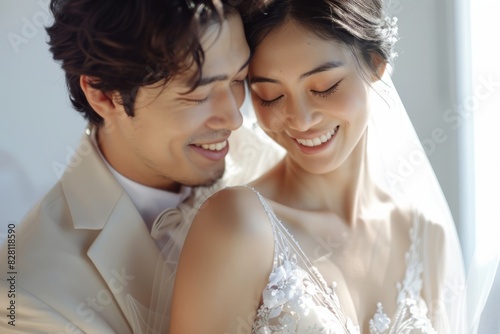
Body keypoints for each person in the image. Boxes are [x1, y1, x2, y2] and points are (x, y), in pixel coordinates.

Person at [170, 0, 467, 333]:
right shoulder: (236, 225)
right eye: (269, 95)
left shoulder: (427, 239)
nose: (301, 119)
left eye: (324, 87)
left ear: (376, 65)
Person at [0, 0, 281, 333]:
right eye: (197, 95)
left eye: (239, 79)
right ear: (104, 95)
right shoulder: (30, 293)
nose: (234, 117)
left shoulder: (278, 155)